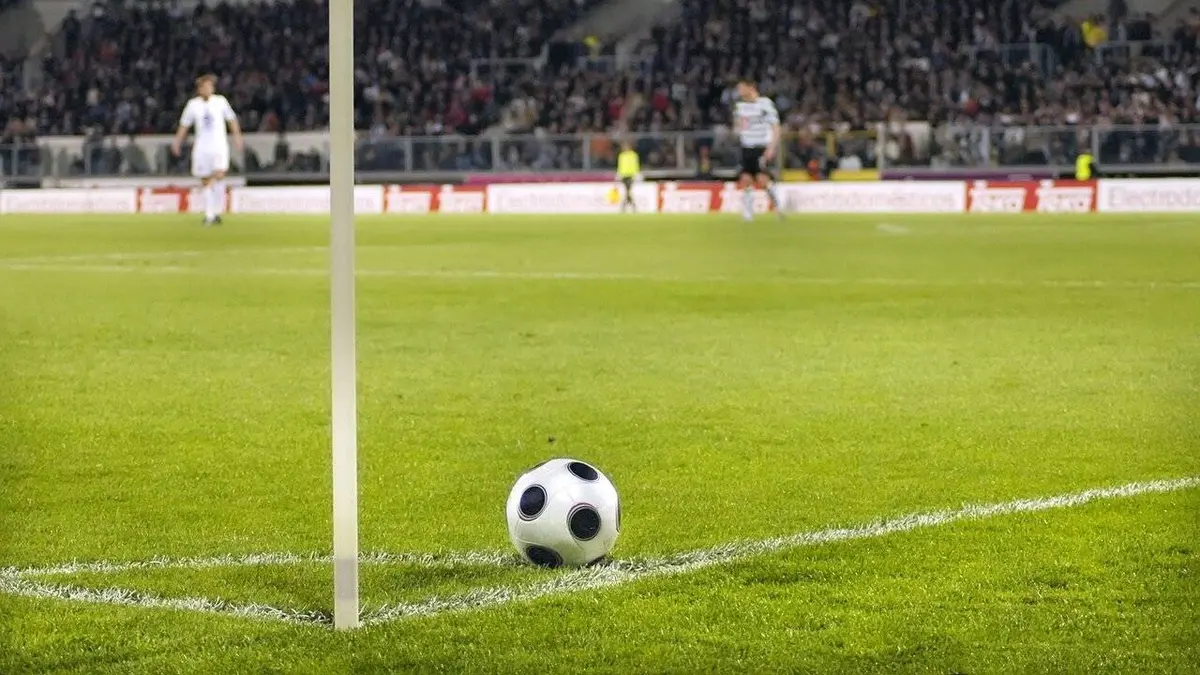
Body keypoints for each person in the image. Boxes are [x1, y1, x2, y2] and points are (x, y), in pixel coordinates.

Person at [171, 74, 243, 226]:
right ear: (199, 89)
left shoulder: (220, 101)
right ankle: (211, 214)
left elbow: (231, 120)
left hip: (219, 145)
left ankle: (215, 211)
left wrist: (237, 137)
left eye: (210, 86)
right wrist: (177, 142)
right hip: (202, 147)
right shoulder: (193, 105)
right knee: (205, 180)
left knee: (219, 174)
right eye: (204, 86)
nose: (207, 89)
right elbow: (184, 125)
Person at [733, 79, 783, 220]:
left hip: (761, 146)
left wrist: (772, 147)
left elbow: (775, 126)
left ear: (751, 87)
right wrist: (737, 129)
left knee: (762, 179)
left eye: (741, 88)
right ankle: (748, 212)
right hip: (746, 146)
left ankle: (778, 207)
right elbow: (738, 125)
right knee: (746, 178)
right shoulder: (740, 106)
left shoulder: (765, 104)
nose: (739, 91)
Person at [615, 141, 640, 213]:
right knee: (627, 191)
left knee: (628, 191)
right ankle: (631, 206)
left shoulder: (633, 155)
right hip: (623, 175)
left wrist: (636, 173)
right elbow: (620, 165)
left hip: (631, 175)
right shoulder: (621, 155)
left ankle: (625, 206)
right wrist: (618, 174)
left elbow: (636, 164)